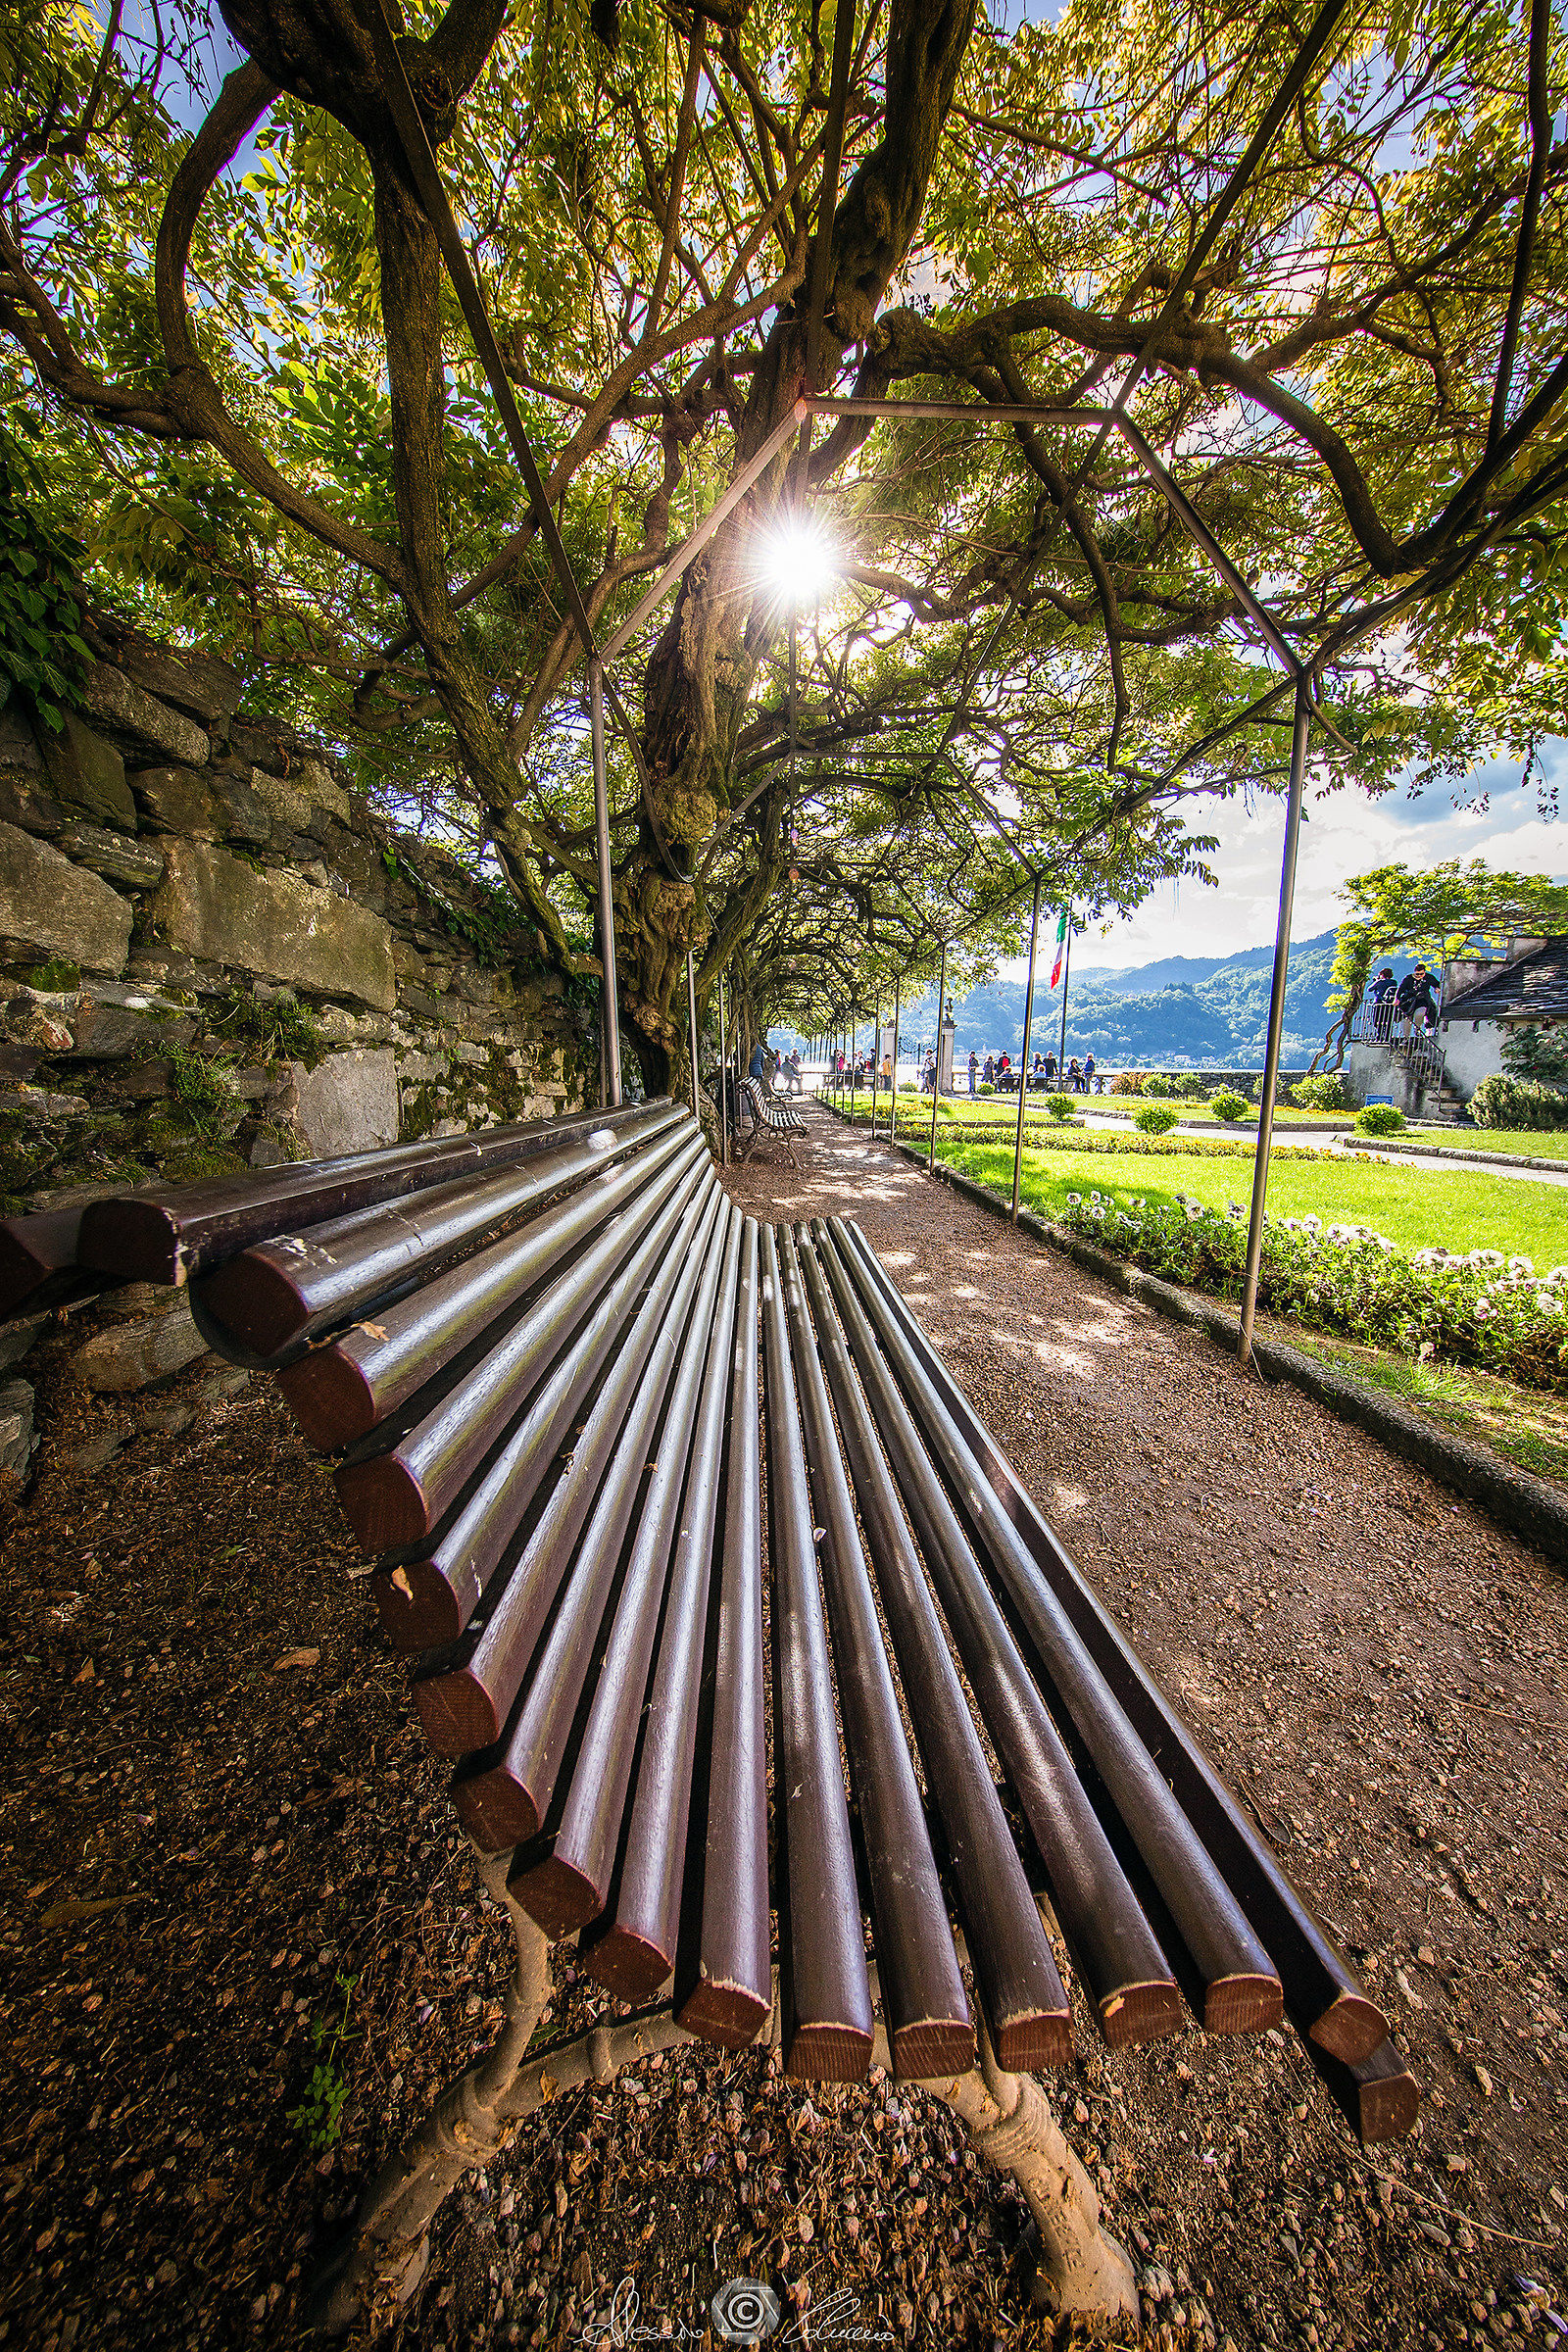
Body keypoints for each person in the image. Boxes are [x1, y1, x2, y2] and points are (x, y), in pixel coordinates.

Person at [1369, 965, 1397, 1041]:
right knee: (1387, 1020)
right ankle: (1387, 1036)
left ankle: (1379, 1036)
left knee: (1377, 1021)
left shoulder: (1379, 982)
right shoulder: (1394, 982)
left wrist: (1376, 980)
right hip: (1389, 1004)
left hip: (1379, 1003)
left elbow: (1370, 989)